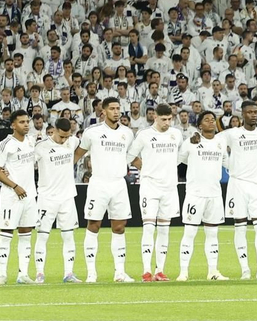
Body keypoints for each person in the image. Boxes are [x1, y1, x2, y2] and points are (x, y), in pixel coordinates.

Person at [78, 97, 136, 283]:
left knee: (119, 227)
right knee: (93, 225)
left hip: (119, 183)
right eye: (112, 108)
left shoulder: (127, 133)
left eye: (118, 108)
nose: (116, 112)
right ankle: (91, 273)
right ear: (103, 111)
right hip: (99, 183)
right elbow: (78, 154)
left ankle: (119, 272)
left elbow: (132, 157)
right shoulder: (92, 132)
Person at [128, 102, 186, 282]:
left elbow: (181, 156)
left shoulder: (176, 134)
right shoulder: (144, 135)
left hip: (169, 187)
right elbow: (130, 156)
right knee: (148, 227)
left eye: (169, 119)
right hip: (149, 187)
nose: (167, 123)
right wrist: (146, 168)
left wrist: (167, 167)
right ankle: (146, 270)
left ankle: (160, 270)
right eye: (163, 119)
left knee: (164, 229)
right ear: (155, 117)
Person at [220, 99, 257, 278]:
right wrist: (228, 164)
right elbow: (212, 141)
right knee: (240, 227)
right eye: (250, 112)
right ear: (242, 114)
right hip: (237, 185)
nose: (253, 115)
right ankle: (245, 269)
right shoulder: (233, 134)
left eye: (255, 112)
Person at [177, 111, 228, 281]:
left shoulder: (221, 143)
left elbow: (227, 164)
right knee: (190, 232)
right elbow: (179, 160)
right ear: (199, 125)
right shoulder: (191, 142)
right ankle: (183, 272)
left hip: (214, 194)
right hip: (195, 194)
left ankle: (213, 271)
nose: (211, 122)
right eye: (206, 120)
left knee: (212, 234)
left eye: (213, 119)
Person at [0, 110, 39, 286]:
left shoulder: (31, 141)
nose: (26, 124)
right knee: (6, 234)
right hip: (11, 196)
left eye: (27, 121)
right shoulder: (6, 144)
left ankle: (23, 274)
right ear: (13, 125)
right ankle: (2, 274)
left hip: (30, 196)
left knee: (26, 234)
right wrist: (15, 186)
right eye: (21, 122)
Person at [31, 116, 81, 283]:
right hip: (47, 198)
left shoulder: (72, 142)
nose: (64, 139)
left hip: (67, 197)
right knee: (43, 235)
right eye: (61, 136)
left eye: (67, 136)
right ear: (53, 130)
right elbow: (26, 164)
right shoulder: (41, 147)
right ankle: (39, 273)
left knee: (68, 236)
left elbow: (83, 149)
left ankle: (69, 273)